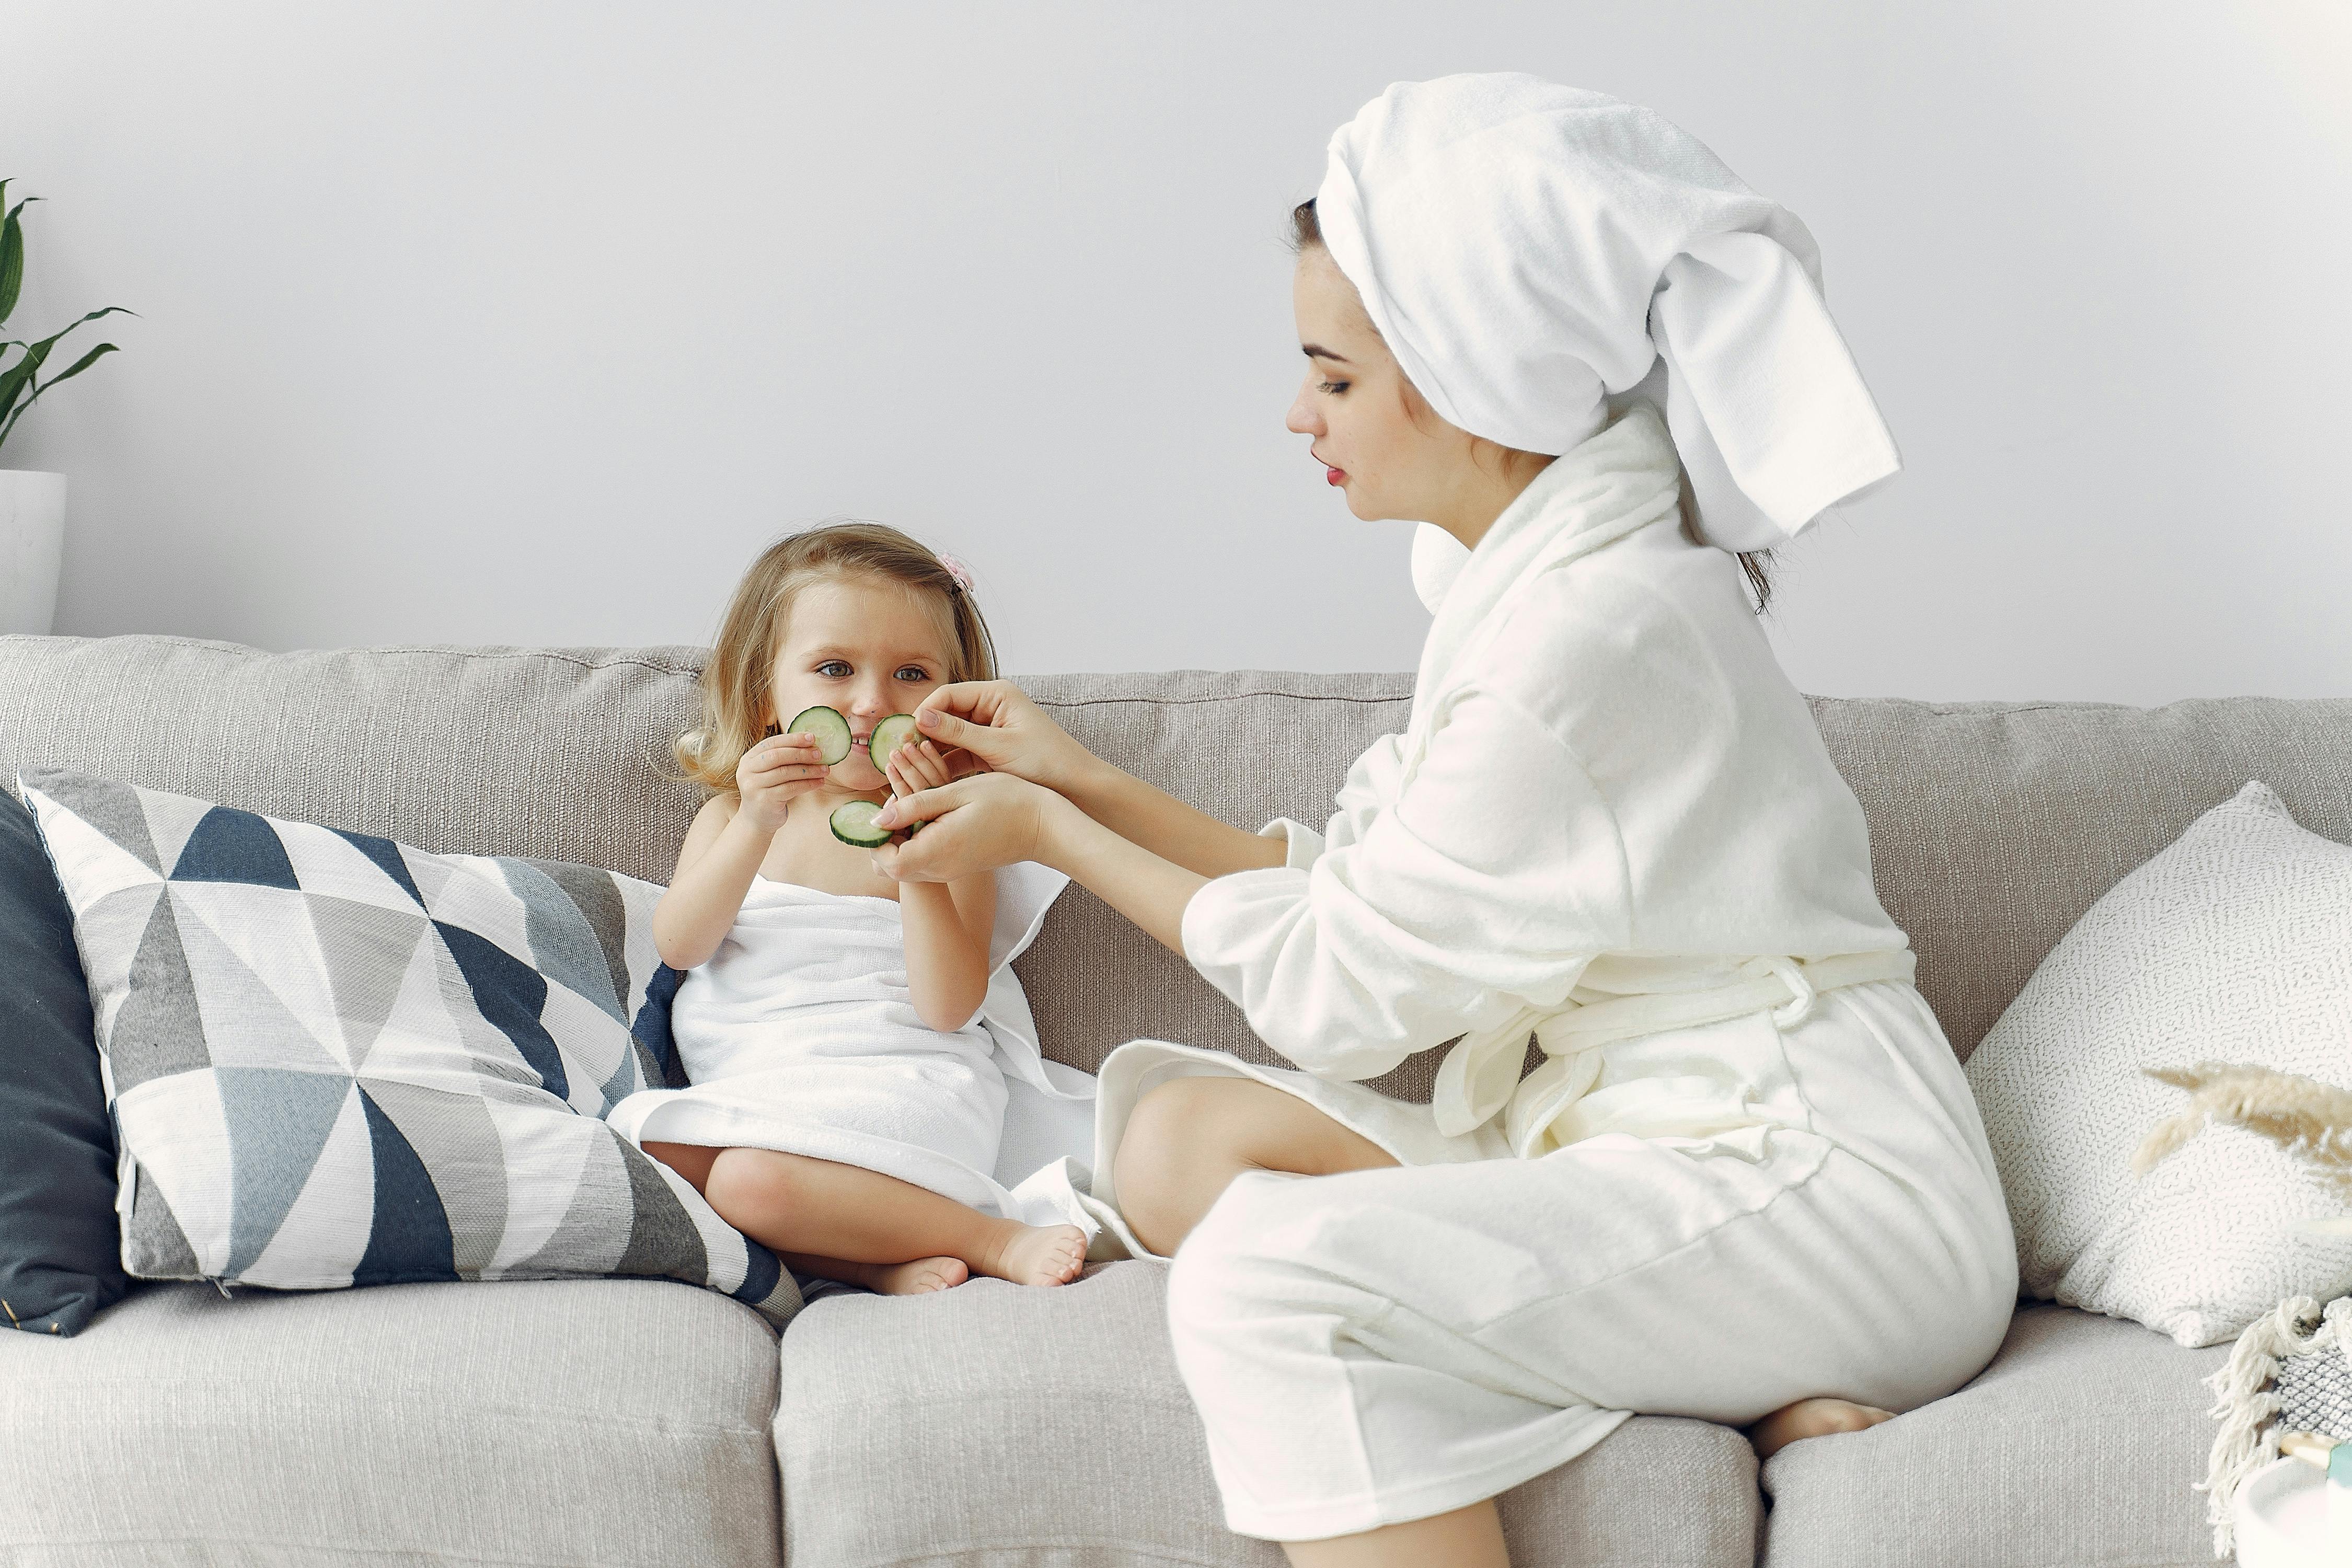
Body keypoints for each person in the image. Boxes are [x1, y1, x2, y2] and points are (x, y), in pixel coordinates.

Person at [864, 74, 2017, 1568]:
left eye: (1331, 375)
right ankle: (1716, 1380)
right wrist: (1076, 777)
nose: (1298, 414)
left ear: (1473, 379)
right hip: (1637, 1134)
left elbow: (1339, 999)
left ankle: (1758, 1348)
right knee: (1169, 1142)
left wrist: (1052, 837)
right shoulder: (1537, 577)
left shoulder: (1584, 638)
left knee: (1259, 1284)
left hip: (1822, 1200)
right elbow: (1363, 894)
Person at [606, 522, 1090, 1296]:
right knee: (653, 1153)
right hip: (765, 1086)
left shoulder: (956, 834)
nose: (869, 704)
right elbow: (680, 945)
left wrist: (920, 862)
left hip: (898, 1087)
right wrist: (759, 823)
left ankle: (993, 1239)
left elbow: (948, 1006)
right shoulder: (735, 818)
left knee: (748, 1187)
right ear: (768, 693)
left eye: (909, 673)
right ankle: (868, 1260)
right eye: (835, 669)